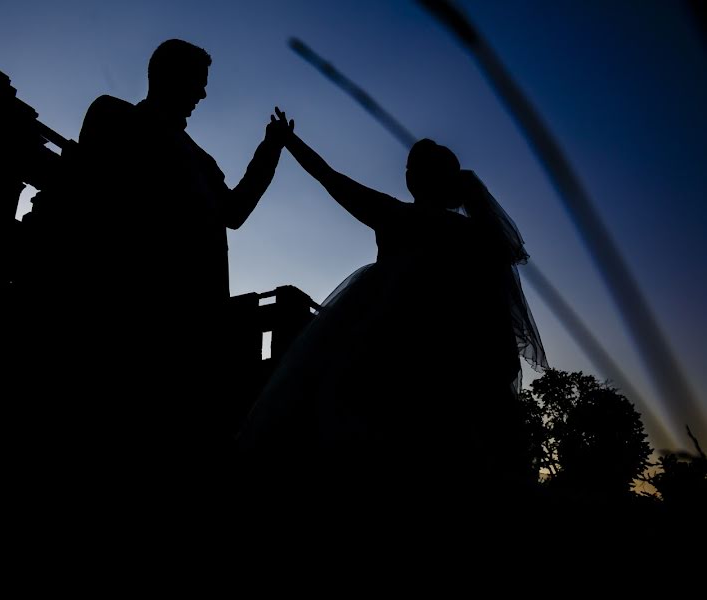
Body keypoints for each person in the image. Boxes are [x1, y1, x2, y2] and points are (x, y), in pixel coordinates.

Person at [240, 118, 547, 498]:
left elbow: (330, 178)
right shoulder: (472, 236)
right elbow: (494, 315)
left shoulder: (396, 214)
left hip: (389, 350)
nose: (405, 174)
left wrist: (290, 141)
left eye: (409, 168)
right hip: (454, 359)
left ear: (418, 178)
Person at [32, 40, 292, 458]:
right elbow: (81, 197)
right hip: (121, 321)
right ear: (166, 77)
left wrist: (270, 149)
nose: (203, 94)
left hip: (189, 331)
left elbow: (235, 211)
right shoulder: (113, 115)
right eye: (197, 83)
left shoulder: (202, 161)